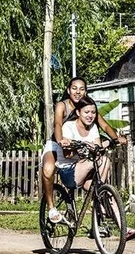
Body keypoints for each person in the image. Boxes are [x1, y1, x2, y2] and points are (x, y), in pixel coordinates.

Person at [41, 78, 126, 219]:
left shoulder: (87, 108)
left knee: (96, 173)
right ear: (68, 90)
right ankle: (51, 208)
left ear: (86, 91)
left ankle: (99, 215)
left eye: (82, 89)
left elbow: (104, 125)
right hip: (58, 142)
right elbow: (57, 124)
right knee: (48, 170)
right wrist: (61, 140)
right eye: (74, 88)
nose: (78, 92)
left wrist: (116, 139)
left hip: (77, 144)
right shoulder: (63, 105)